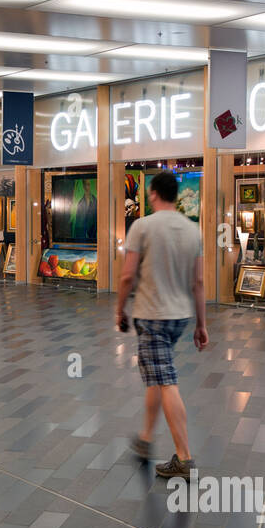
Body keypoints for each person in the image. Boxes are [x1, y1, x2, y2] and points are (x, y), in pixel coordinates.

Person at [115, 169, 208, 481]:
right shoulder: (193, 229)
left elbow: (128, 275)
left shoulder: (142, 226)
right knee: (156, 375)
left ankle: (184, 458)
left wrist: (119, 309)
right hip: (179, 317)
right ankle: (145, 439)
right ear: (177, 196)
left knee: (165, 379)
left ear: (153, 193)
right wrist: (201, 324)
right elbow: (198, 281)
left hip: (152, 315)